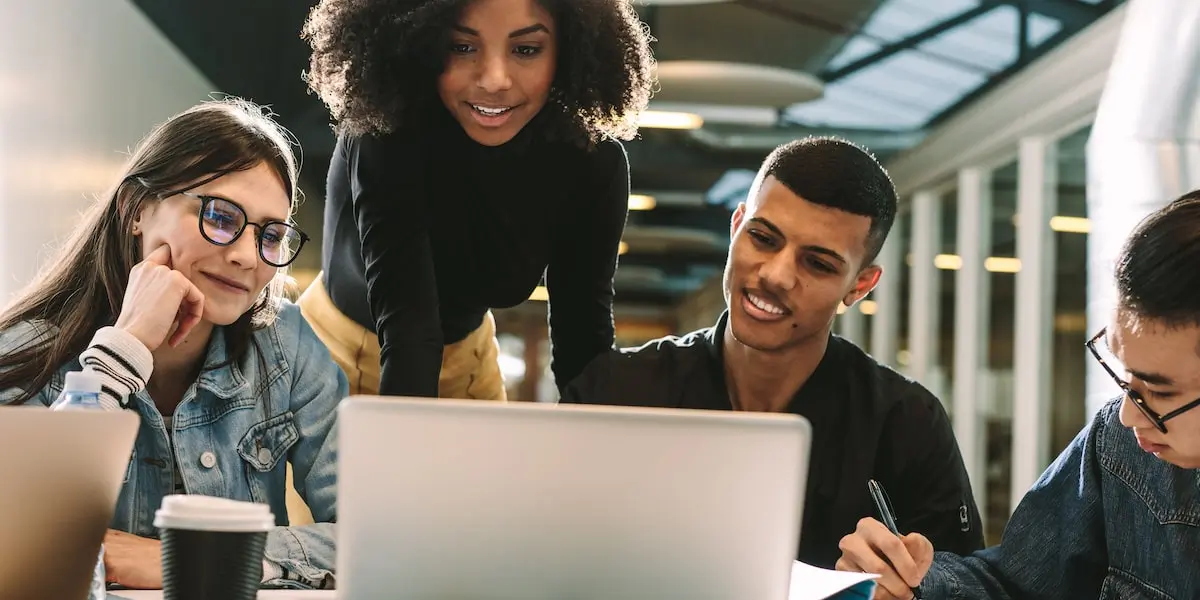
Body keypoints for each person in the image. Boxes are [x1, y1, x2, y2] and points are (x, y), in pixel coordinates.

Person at [561, 137, 985, 568]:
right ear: (736, 227)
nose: (777, 276)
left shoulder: (906, 426)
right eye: (763, 238)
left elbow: (969, 589)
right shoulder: (615, 394)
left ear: (858, 286)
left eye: (818, 264)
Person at [0, 99, 344, 590]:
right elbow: (22, 540)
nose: (248, 256)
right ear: (136, 210)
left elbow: (377, 535)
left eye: (272, 235)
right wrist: (125, 347)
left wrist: (193, 559)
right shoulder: (27, 352)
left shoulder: (287, 346)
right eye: (221, 217)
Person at [836, 191, 1200, 600]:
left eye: (1158, 391)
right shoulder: (1121, 450)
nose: (1128, 417)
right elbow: (1013, 586)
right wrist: (912, 582)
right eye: (1124, 374)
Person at [299, 0, 655, 399]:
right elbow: (410, 333)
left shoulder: (591, 165)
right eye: (462, 47)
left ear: (569, 49)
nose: (494, 79)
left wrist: (598, 449)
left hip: (467, 364)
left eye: (526, 49)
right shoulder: (387, 134)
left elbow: (583, 340)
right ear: (421, 42)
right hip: (324, 361)